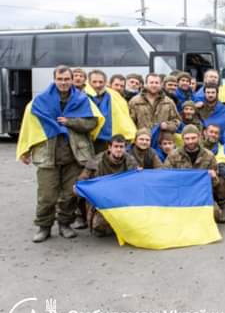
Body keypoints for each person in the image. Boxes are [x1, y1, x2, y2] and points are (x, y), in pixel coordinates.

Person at [18, 65, 101, 243]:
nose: (63, 83)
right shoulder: (39, 101)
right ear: (54, 79)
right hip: (48, 155)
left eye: (66, 79)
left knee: (70, 194)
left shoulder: (83, 99)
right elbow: (28, 126)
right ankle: (44, 227)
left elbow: (93, 122)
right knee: (46, 195)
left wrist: (70, 122)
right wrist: (25, 149)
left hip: (74, 155)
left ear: (72, 80)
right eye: (60, 79)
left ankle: (65, 224)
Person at [76, 134, 138, 237]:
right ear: (110, 147)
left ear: (125, 148)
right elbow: (83, 179)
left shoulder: (130, 161)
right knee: (99, 228)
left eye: (121, 147)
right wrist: (78, 187)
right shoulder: (97, 161)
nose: (118, 149)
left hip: (122, 198)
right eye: (116, 146)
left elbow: (136, 182)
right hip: (102, 200)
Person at [164, 125, 225, 223]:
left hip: (201, 195)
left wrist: (214, 177)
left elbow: (215, 184)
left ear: (199, 137)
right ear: (183, 139)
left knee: (216, 215)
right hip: (181, 194)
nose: (190, 141)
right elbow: (166, 178)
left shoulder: (209, 155)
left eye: (193, 138)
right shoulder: (173, 155)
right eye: (187, 138)